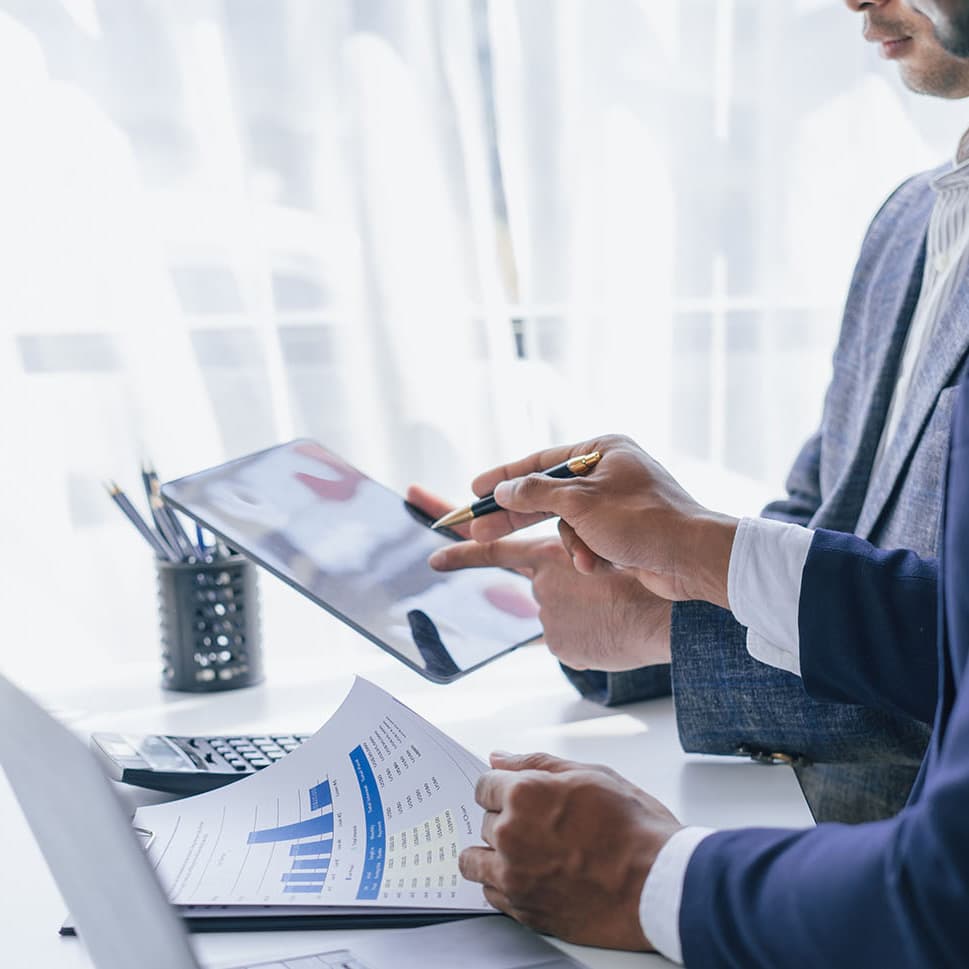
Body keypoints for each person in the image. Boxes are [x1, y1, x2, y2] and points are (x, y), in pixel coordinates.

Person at [409, 0, 969, 825]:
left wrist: (667, 618)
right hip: (805, 834)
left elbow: (948, 654)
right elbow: (820, 521)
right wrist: (638, 580)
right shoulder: (907, 220)